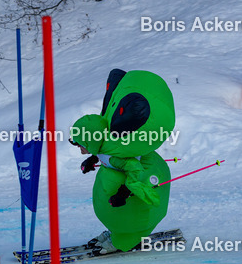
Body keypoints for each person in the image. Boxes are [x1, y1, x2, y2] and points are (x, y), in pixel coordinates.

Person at [69, 68, 176, 253]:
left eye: (81, 145)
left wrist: (124, 192)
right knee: (116, 213)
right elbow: (102, 153)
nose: (80, 150)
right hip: (120, 188)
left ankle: (123, 240)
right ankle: (115, 230)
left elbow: (134, 168)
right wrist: (91, 160)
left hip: (143, 184)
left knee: (129, 217)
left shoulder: (119, 152)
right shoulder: (104, 144)